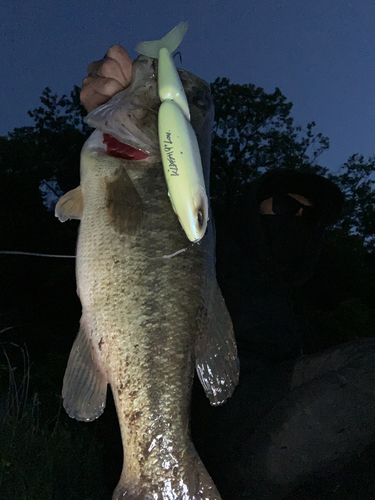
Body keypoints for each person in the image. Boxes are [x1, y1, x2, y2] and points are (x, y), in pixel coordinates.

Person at [80, 46, 375, 500]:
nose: (296, 220)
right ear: (253, 202)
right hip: (214, 426)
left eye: (310, 218)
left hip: (280, 412)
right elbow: (144, 193)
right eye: (283, 205)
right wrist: (117, 102)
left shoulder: (312, 303)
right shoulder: (212, 240)